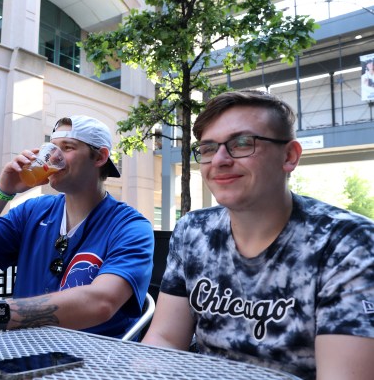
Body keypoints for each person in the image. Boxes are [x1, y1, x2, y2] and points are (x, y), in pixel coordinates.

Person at [142, 90, 374, 379]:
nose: (220, 160)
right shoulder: (192, 231)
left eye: (242, 143)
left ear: (289, 156)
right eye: (209, 148)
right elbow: (164, 340)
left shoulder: (346, 242)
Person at [0, 115, 154, 338]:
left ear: (100, 157)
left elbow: (102, 301)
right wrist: (3, 189)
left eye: (68, 147)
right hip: (21, 349)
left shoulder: (131, 227)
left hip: (94, 360)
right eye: (52, 148)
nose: (54, 156)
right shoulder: (33, 211)